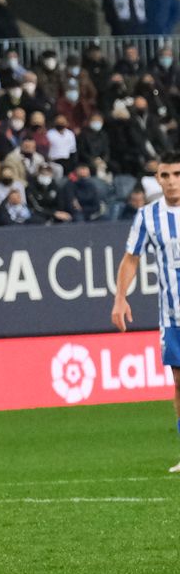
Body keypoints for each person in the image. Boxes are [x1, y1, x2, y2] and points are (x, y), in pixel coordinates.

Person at [112, 151, 180, 472]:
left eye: (178, 174)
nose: (172, 182)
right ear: (157, 179)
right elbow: (131, 258)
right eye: (166, 176)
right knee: (179, 382)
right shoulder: (148, 216)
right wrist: (120, 298)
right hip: (172, 315)